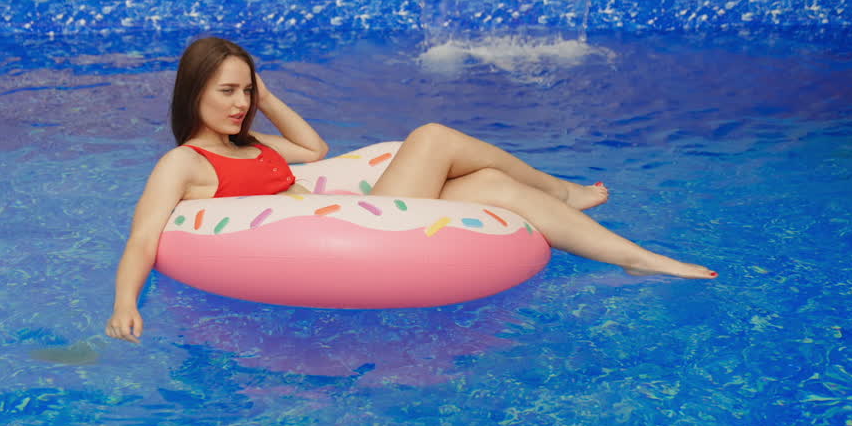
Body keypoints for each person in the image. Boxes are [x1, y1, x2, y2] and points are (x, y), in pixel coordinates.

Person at [105, 37, 715, 343]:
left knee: (492, 184)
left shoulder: (251, 145)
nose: (240, 104)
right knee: (430, 136)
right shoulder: (185, 164)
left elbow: (313, 151)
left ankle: (639, 258)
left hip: (342, 211)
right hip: (353, 226)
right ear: (194, 95)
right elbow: (141, 237)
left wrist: (266, 97)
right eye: (227, 92)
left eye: (245, 91)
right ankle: (561, 189)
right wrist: (125, 305)